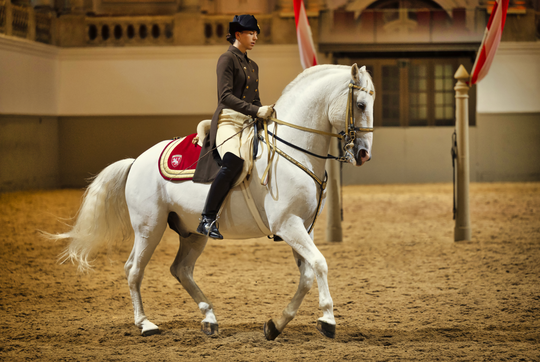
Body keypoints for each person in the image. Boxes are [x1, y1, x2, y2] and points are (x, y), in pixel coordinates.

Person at [193, 14, 274, 239]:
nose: (255, 37)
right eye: (251, 33)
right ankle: (207, 218)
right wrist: (256, 110)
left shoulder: (253, 65)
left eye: (256, 33)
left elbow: (254, 99)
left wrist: (265, 112)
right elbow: (225, 96)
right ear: (237, 34)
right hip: (228, 120)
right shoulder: (226, 59)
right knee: (233, 162)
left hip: (248, 121)